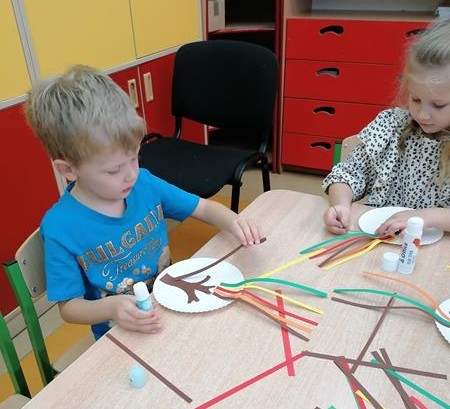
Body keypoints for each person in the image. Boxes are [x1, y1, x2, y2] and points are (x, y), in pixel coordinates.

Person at [25, 65, 263, 340]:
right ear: (68, 170)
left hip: (170, 306)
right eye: (114, 170)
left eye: (134, 158)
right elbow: (69, 308)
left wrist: (234, 221)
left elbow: (204, 207)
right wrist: (112, 308)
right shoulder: (61, 227)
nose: (131, 174)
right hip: (121, 332)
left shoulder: (144, 184)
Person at [322, 17, 450, 236]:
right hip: (380, 243)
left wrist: (425, 217)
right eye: (415, 99)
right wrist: (341, 204)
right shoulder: (391, 126)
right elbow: (347, 174)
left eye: (438, 105)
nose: (422, 114)